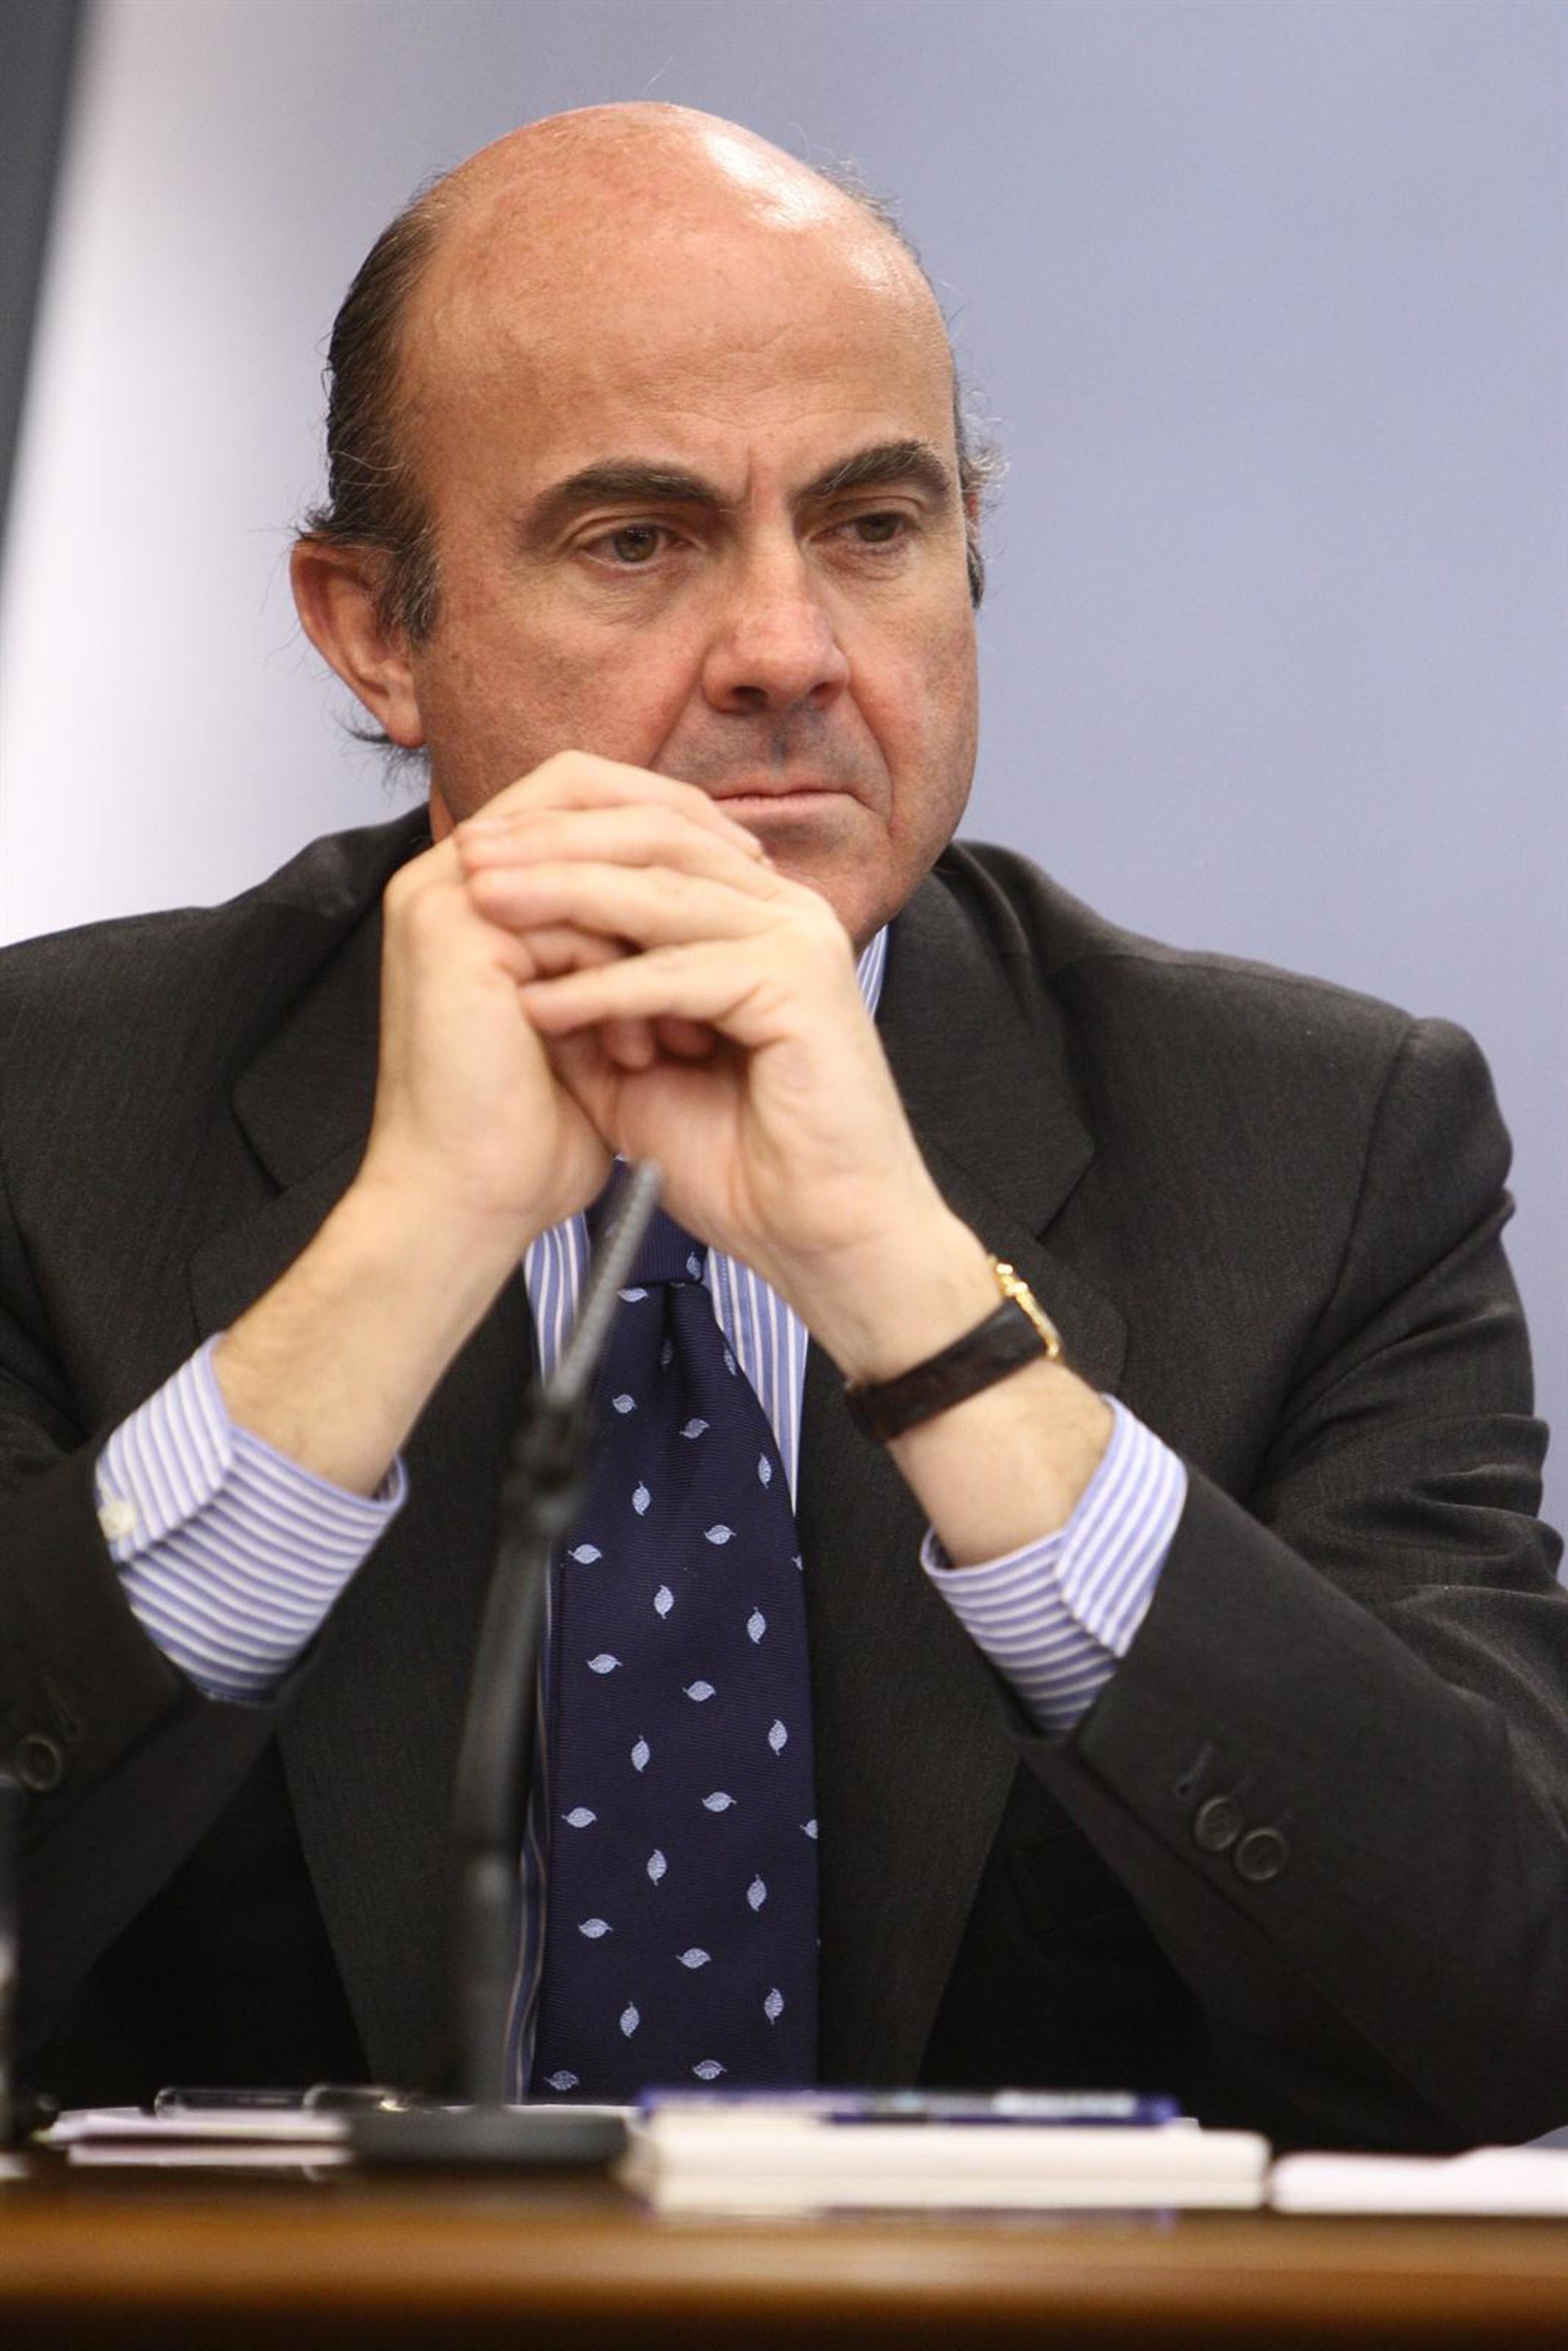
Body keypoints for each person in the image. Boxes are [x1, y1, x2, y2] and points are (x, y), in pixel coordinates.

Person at [2, 104, 1565, 2147]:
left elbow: (1505, 2012)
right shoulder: (45, 1115)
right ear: (376, 629)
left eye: (872, 526)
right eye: (635, 541)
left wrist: (923, 1312)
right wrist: (392, 1267)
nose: (787, 652)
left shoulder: (1327, 1144)